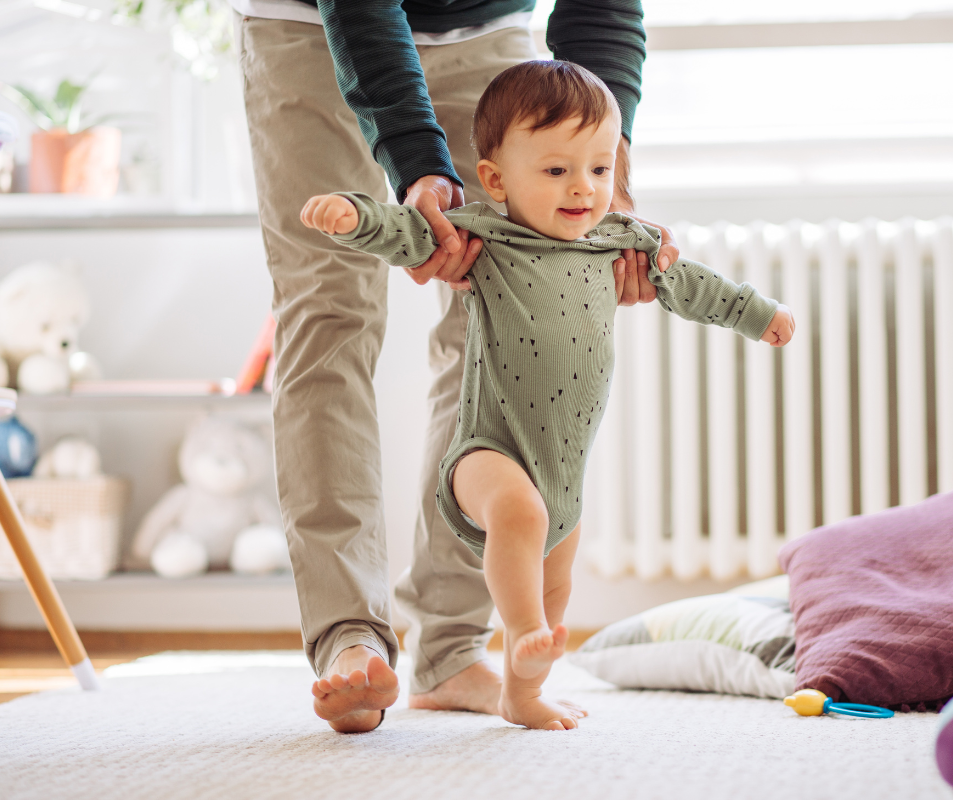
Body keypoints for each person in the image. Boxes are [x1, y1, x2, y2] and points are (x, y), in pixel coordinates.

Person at [301, 60, 797, 730]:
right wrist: (354, 217)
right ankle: (521, 634)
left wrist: (756, 313)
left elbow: (694, 286)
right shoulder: (488, 235)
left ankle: (523, 690)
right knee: (521, 518)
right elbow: (408, 232)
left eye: (598, 168)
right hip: (486, 450)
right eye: (557, 170)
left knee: (557, 581)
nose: (583, 189)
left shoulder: (620, 241)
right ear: (497, 179)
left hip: (563, 470)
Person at [234, 1, 681, 732]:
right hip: (306, 26)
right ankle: (350, 637)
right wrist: (417, 162)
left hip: (486, 35)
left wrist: (607, 158)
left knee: (500, 317)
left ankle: (450, 647)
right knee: (328, 314)